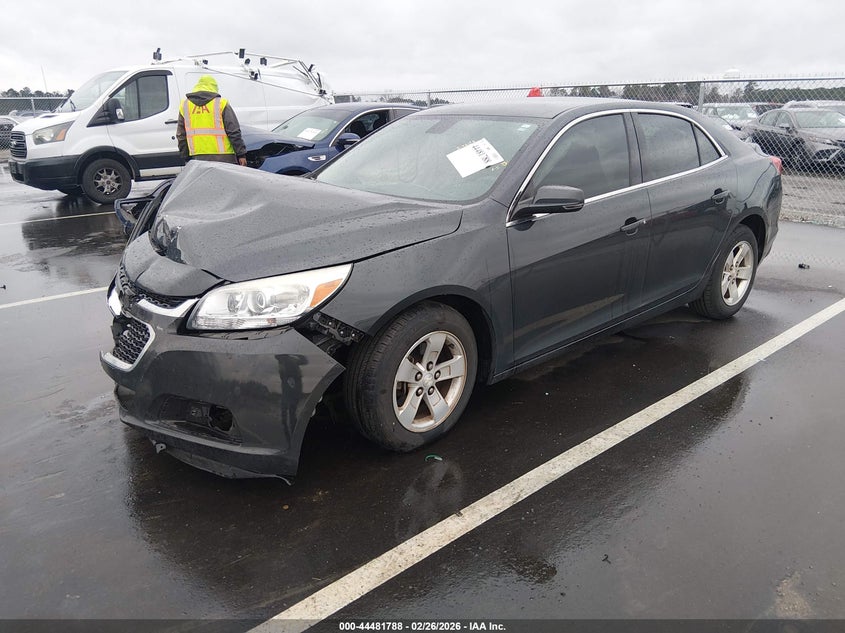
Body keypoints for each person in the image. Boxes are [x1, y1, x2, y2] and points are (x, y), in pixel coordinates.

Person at [176, 75, 247, 166]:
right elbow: (233, 131)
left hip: (198, 158)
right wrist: (241, 154)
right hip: (224, 158)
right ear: (214, 88)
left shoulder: (185, 105)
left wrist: (186, 156)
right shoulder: (221, 103)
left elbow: (181, 135)